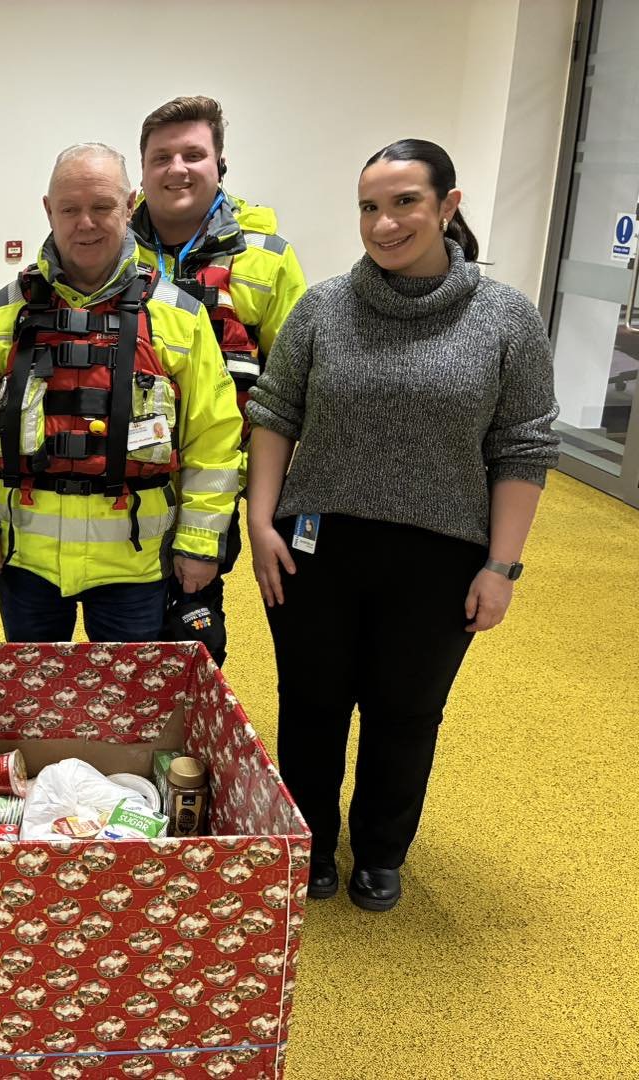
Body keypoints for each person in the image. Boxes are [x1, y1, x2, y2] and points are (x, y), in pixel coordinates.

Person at [247, 139, 560, 912]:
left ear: (448, 206)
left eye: (404, 203)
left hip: (442, 552)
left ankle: (382, 851)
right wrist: (260, 520)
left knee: (406, 709)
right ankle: (311, 842)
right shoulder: (322, 306)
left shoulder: (506, 319)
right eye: (368, 207)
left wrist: (502, 566)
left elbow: (525, 445)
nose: (384, 223)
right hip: (317, 543)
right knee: (312, 702)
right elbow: (275, 414)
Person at [0, 143, 241, 643]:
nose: (85, 222)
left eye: (102, 206)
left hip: (134, 564)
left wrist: (198, 542)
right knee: (36, 703)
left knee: (130, 710)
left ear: (130, 205)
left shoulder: (180, 317)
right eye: (69, 208)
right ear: (48, 210)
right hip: (26, 560)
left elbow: (213, 441)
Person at [132, 96, 307, 665]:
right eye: (161, 156)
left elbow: (290, 390)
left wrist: (260, 500)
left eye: (193, 154)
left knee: (194, 618)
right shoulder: (107, 249)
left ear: (220, 163)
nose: (176, 168)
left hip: (218, 478)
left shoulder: (269, 260)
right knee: (124, 622)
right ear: (142, 169)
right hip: (122, 480)